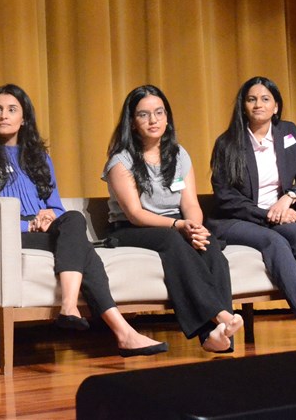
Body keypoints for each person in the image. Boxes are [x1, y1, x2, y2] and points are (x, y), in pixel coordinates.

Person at [0, 84, 167, 358]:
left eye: (12, 110)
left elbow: (57, 208)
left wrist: (49, 216)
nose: (3, 115)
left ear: (24, 119)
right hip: (9, 233)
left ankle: (77, 310)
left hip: (44, 229)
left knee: (72, 218)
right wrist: (27, 225)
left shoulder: (40, 158)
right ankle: (120, 331)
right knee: (83, 249)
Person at [208, 75, 296, 348]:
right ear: (243, 106)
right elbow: (226, 198)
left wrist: (288, 198)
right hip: (236, 220)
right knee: (275, 241)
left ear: (276, 106)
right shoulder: (227, 143)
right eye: (251, 99)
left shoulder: (287, 132)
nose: (258, 105)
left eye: (265, 99)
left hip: (279, 213)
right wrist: (267, 214)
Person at [101, 85, 243, 353]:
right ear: (132, 122)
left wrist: (196, 227)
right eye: (143, 115)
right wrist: (179, 226)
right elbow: (135, 213)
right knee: (172, 240)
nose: (153, 120)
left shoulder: (178, 154)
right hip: (131, 228)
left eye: (159, 113)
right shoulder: (121, 161)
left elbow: (189, 203)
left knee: (209, 245)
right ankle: (220, 314)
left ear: (167, 117)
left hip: (175, 224)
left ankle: (216, 337)